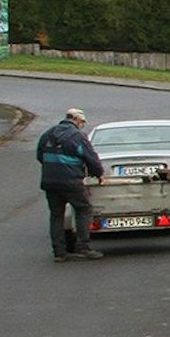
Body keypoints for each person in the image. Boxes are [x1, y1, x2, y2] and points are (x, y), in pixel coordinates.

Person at [37, 107, 104, 261]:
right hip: (71, 181)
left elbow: (40, 155)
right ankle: (83, 248)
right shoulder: (77, 136)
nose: (82, 125)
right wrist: (98, 174)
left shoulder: (48, 133)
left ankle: (59, 253)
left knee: (56, 215)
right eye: (82, 123)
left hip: (50, 181)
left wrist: (51, 168)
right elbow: (90, 158)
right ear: (76, 120)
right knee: (83, 209)